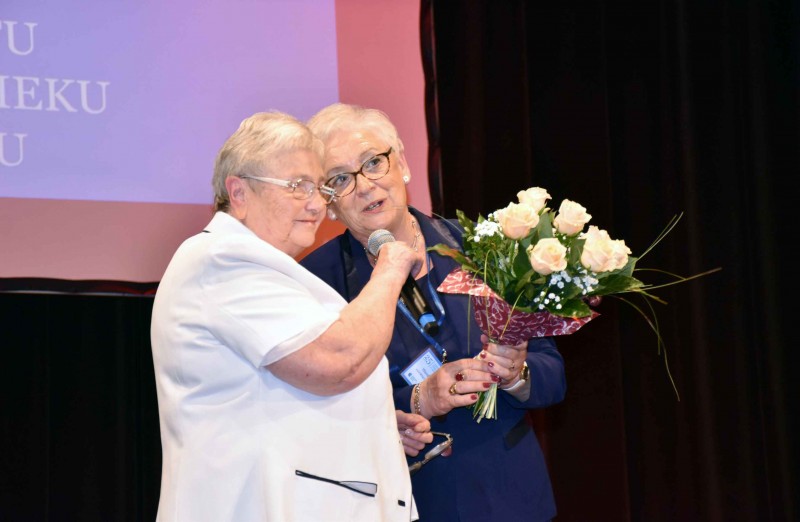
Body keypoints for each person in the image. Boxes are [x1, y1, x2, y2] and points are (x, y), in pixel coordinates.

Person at [150, 111, 433, 522]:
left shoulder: (271, 271)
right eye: (298, 186)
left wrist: (374, 424)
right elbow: (339, 361)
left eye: (318, 187)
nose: (317, 204)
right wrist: (390, 267)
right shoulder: (222, 260)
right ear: (239, 192)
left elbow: (283, 391)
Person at [301, 103, 567, 521]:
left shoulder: (481, 247)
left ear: (403, 165)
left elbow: (553, 375)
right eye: (340, 179)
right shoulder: (316, 283)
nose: (365, 186)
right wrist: (417, 399)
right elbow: (311, 412)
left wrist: (517, 374)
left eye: (374, 162)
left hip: (511, 495)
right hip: (409, 500)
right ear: (329, 204)